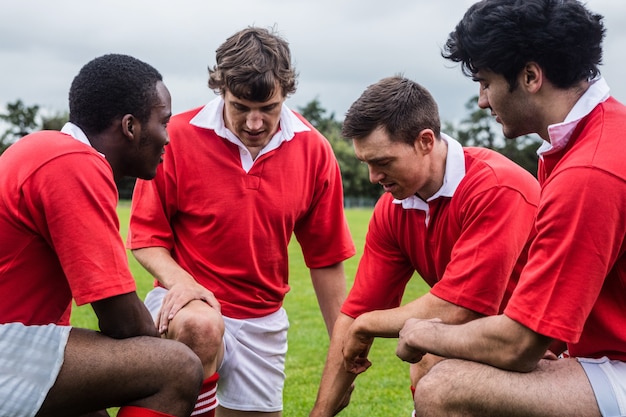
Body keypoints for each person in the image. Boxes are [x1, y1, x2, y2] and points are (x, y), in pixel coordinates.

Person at [395, 1, 626, 416]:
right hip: (605, 358)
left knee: (445, 387)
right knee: (441, 361)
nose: (483, 100)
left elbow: (518, 345)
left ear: (531, 76)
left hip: (619, 366)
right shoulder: (589, 139)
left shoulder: (589, 171)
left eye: (485, 82)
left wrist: (420, 331)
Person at [127, 26, 355, 417]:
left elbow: (326, 259)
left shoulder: (314, 150)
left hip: (262, 321)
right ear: (221, 91)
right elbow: (146, 237)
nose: (254, 123)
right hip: (187, 306)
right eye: (240, 107)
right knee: (202, 328)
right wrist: (185, 285)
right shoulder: (177, 137)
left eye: (268, 108)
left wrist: (344, 353)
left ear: (285, 92)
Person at [309, 75, 540, 416]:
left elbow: (459, 310)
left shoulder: (495, 187)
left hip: (549, 354)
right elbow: (355, 312)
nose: (373, 177)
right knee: (429, 351)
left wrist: (367, 325)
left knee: (431, 352)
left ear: (425, 141)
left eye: (383, 162)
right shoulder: (392, 209)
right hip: (483, 346)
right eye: (366, 163)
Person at [0, 54, 204, 417]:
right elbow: (120, 320)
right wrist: (189, 344)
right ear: (130, 126)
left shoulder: (49, 149)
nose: (168, 138)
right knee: (177, 367)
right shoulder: (73, 162)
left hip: (16, 341)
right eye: (164, 122)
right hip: (7, 347)